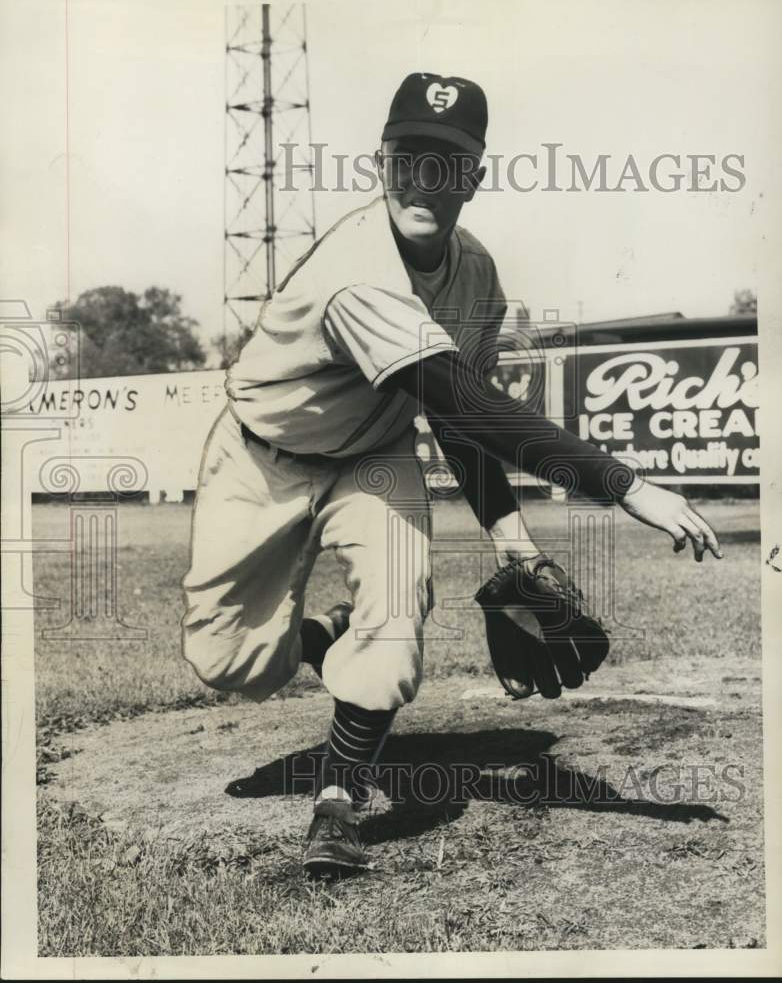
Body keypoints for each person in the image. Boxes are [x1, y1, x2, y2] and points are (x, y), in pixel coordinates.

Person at [181, 72, 721, 877]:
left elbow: (457, 419)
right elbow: (461, 401)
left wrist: (511, 538)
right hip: (263, 458)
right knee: (231, 665)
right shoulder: (358, 269)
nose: (427, 180)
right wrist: (628, 485)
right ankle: (324, 635)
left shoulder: (475, 276)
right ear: (383, 164)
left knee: (395, 633)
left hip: (376, 457)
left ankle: (339, 801)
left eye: (450, 163)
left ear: (475, 176)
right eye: (411, 159)